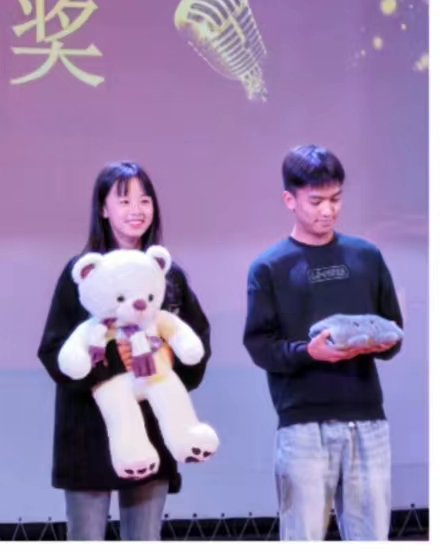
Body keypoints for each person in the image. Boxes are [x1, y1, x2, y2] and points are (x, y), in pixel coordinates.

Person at [36, 161, 211, 540]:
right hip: (88, 432)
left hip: (151, 432)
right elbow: (53, 352)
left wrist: (166, 360)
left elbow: (197, 344)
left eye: (145, 200)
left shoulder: (167, 276)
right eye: (124, 200)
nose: (137, 210)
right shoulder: (82, 273)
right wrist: (117, 362)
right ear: (103, 209)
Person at [244, 146, 403, 541]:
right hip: (302, 424)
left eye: (335, 199)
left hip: (367, 419)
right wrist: (308, 352)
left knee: (372, 538)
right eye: (316, 201)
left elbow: (393, 329)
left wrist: (378, 343)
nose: (328, 210)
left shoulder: (366, 256)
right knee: (303, 537)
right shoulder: (270, 267)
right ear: (290, 200)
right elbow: (260, 345)